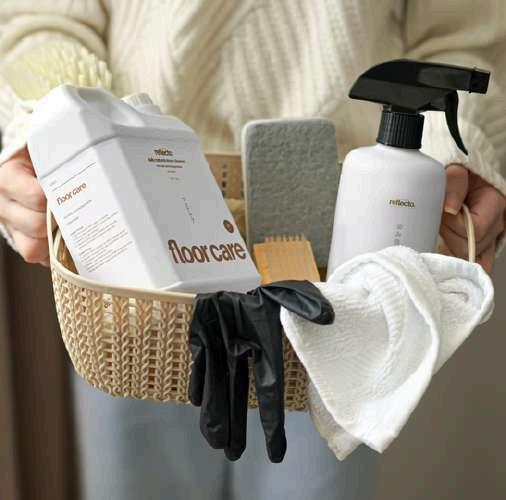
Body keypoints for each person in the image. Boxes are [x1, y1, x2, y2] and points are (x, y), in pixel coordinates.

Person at [0, 2, 504, 499]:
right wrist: (53, 134)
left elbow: (463, 37)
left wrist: (461, 151)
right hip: (131, 281)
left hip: (336, 304)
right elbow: (44, 18)